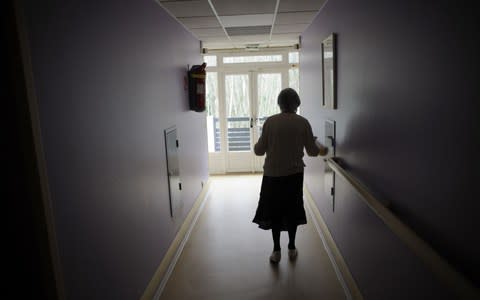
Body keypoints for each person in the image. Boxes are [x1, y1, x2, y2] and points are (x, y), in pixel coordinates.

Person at [252, 88, 328, 263]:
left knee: (275, 212)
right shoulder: (303, 123)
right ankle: (292, 247)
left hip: (272, 175)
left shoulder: (270, 122)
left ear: (279, 103)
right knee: (292, 211)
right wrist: (315, 142)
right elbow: (312, 152)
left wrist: (261, 143)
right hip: (294, 175)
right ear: (297, 103)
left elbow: (258, 151)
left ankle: (276, 250)